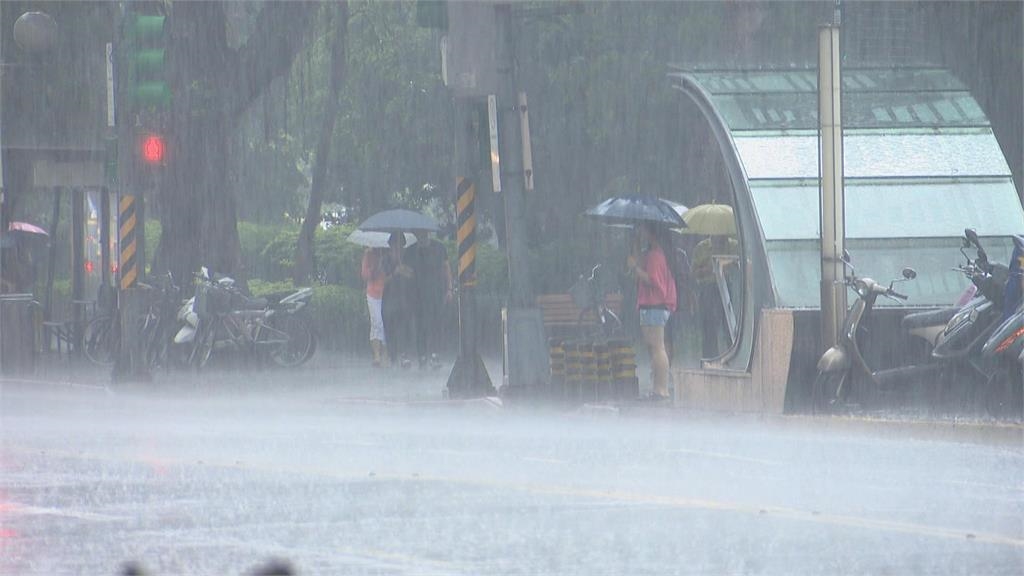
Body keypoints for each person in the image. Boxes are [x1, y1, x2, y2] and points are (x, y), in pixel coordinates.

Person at [627, 222, 677, 401]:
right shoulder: (652, 254)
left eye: (645, 232)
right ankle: (657, 387)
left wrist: (635, 269)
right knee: (652, 347)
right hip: (649, 305)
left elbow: (653, 281)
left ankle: (661, 389)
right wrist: (635, 245)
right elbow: (640, 263)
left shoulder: (656, 256)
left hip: (655, 305)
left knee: (657, 347)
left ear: (652, 234)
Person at [405, 230, 452, 369]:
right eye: (419, 234)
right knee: (420, 326)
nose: (422, 236)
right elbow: (406, 271)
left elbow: (446, 268)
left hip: (436, 293)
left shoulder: (439, 248)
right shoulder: (411, 251)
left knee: (436, 325)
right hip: (417, 295)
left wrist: (449, 288)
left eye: (423, 233)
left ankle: (435, 355)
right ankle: (422, 356)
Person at [691, 235, 740, 358]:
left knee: (729, 325)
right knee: (708, 326)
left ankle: (733, 355)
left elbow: (741, 263)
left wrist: (728, 264)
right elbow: (693, 273)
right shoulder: (701, 248)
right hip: (707, 288)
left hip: (726, 287)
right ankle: (710, 357)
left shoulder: (734, 246)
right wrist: (708, 270)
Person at [381, 233, 416, 369]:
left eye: (400, 246)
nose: (398, 249)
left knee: (404, 328)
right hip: (389, 300)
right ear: (390, 247)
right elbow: (382, 280)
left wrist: (405, 270)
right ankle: (393, 355)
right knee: (390, 330)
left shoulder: (408, 258)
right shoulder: (385, 260)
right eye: (395, 246)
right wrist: (395, 272)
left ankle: (404, 355)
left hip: (405, 299)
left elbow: (413, 275)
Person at [361, 246, 389, 367]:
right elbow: (365, 275)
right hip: (373, 294)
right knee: (377, 322)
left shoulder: (390, 252)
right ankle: (377, 354)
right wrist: (376, 266)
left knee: (386, 322)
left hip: (388, 293)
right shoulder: (369, 254)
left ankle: (386, 353)